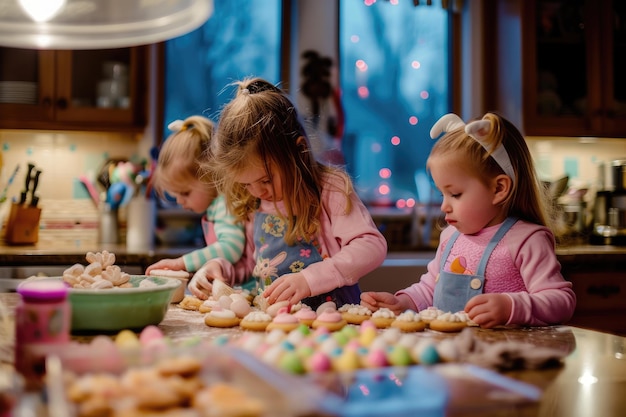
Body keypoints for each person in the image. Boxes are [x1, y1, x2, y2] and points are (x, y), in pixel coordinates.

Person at [361, 112, 576, 328]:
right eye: (441, 194)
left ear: (499, 189)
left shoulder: (526, 240)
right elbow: (430, 289)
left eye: (455, 194)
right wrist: (402, 303)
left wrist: (511, 307)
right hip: (452, 356)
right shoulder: (450, 237)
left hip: (506, 356)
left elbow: (561, 301)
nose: (444, 206)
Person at [187, 77, 387, 309]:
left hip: (333, 320)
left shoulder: (330, 188)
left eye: (266, 179)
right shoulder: (254, 201)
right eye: (246, 184)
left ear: (299, 152)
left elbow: (371, 245)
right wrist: (220, 268)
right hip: (278, 324)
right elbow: (254, 265)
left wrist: (309, 279)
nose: (258, 191)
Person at [145, 115, 245, 275]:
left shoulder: (224, 204)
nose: (179, 201)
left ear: (210, 174)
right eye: (174, 195)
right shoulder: (214, 207)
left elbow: (231, 248)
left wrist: (182, 263)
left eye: (185, 193)